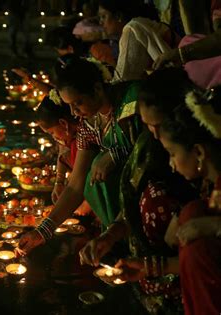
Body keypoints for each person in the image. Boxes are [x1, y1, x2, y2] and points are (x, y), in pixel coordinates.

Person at [79, 68, 197, 314]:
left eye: (159, 124)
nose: (154, 133)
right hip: (146, 278)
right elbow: (132, 200)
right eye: (147, 125)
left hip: (190, 290)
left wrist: (156, 266)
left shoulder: (200, 167)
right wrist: (109, 236)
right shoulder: (147, 146)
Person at [18, 54, 140, 254]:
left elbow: (153, 146)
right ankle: (116, 238)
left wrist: (118, 154)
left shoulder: (131, 100)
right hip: (118, 208)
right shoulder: (88, 126)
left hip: (147, 195)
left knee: (99, 163)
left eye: (78, 103)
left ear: (97, 88)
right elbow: (76, 184)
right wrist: (42, 232)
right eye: (70, 106)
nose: (74, 113)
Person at [154, 89, 221, 315]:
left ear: (199, 152)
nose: (171, 165)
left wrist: (213, 226)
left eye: (172, 153)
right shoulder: (210, 191)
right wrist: (145, 267)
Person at [98, 0, 179, 82]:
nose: (100, 22)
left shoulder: (132, 29)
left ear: (119, 16)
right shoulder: (138, 25)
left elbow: (123, 80)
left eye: (103, 16)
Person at [35, 96, 78, 204]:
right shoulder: (67, 137)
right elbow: (62, 152)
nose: (54, 138)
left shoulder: (83, 140)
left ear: (63, 123)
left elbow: (80, 178)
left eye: (52, 133)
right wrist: (59, 182)